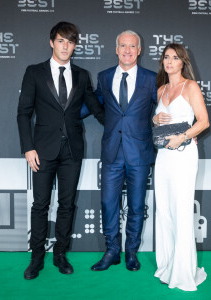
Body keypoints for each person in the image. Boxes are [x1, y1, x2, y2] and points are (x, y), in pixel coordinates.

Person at [17, 21, 105, 280]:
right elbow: (24, 113)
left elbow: (97, 110)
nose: (66, 46)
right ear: (51, 42)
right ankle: (36, 258)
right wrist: (28, 147)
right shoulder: (34, 72)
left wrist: (125, 122)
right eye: (61, 41)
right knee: (40, 204)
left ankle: (60, 254)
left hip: (72, 151)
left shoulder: (82, 75)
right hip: (42, 150)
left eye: (70, 41)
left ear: (75, 45)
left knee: (67, 205)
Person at [91, 30, 157, 272]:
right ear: (116, 49)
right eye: (123, 45)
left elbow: (166, 107)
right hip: (111, 153)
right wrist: (62, 116)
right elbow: (94, 103)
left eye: (132, 46)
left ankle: (131, 252)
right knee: (109, 204)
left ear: (139, 50)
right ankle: (111, 251)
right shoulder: (104, 76)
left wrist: (184, 134)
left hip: (139, 153)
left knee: (137, 206)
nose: (127, 50)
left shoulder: (152, 78)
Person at [152, 43, 209, 291]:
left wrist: (183, 136)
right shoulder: (161, 89)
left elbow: (204, 121)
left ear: (183, 62)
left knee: (181, 211)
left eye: (175, 58)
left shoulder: (190, 86)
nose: (169, 61)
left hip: (184, 154)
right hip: (163, 156)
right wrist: (154, 118)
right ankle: (167, 265)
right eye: (166, 57)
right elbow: (160, 122)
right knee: (164, 211)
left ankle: (183, 272)